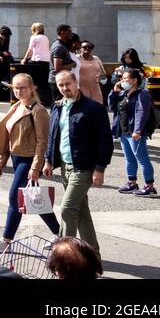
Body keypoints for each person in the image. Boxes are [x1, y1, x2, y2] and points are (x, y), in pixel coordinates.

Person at [0, 72, 60, 254]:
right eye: (16, 87)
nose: (19, 91)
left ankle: (6, 240)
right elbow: (7, 134)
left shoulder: (38, 110)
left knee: (15, 198)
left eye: (23, 87)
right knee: (35, 198)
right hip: (16, 157)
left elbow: (43, 141)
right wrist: (1, 161)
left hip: (28, 159)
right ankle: (60, 234)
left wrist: (36, 167)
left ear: (32, 88)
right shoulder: (18, 106)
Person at [45, 69, 112, 255]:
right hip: (66, 166)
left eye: (68, 84)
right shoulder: (57, 106)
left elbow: (105, 141)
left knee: (67, 209)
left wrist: (100, 168)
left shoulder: (93, 108)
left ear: (76, 83)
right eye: (61, 85)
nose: (65, 88)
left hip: (84, 167)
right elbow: (52, 136)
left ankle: (65, 255)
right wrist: (48, 160)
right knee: (81, 212)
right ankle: (93, 255)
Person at [108, 66, 157, 196]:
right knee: (129, 159)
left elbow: (142, 112)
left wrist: (138, 130)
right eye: (122, 79)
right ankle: (132, 183)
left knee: (142, 159)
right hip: (123, 132)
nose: (122, 81)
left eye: (125, 79)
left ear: (134, 80)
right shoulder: (123, 93)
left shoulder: (142, 94)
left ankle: (149, 186)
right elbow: (112, 106)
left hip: (134, 133)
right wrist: (114, 91)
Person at [22, 21, 53, 106]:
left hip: (37, 61)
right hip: (46, 61)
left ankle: (35, 100)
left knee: (35, 81)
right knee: (44, 81)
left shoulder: (34, 37)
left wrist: (24, 59)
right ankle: (46, 100)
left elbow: (30, 49)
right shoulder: (45, 37)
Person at [49, 24, 76, 100]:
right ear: (62, 32)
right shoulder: (59, 47)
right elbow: (58, 68)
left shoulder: (61, 45)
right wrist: (73, 64)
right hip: (58, 80)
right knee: (59, 106)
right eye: (69, 32)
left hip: (60, 79)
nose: (71, 34)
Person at [76, 38, 106, 103]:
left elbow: (103, 72)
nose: (87, 48)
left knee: (98, 107)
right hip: (82, 88)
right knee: (84, 107)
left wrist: (101, 75)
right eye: (84, 47)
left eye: (90, 47)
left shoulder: (96, 58)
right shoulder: (76, 58)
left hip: (95, 87)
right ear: (80, 48)